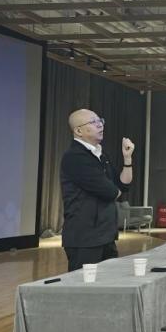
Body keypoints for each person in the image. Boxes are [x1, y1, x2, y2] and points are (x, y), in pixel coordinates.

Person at [59, 109, 134, 272]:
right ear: (78, 131)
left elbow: (123, 186)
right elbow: (111, 192)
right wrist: (115, 190)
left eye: (100, 120)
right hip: (85, 238)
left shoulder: (101, 154)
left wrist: (127, 158)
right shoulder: (75, 157)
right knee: (84, 284)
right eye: (93, 122)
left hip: (105, 235)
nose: (100, 125)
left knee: (109, 283)